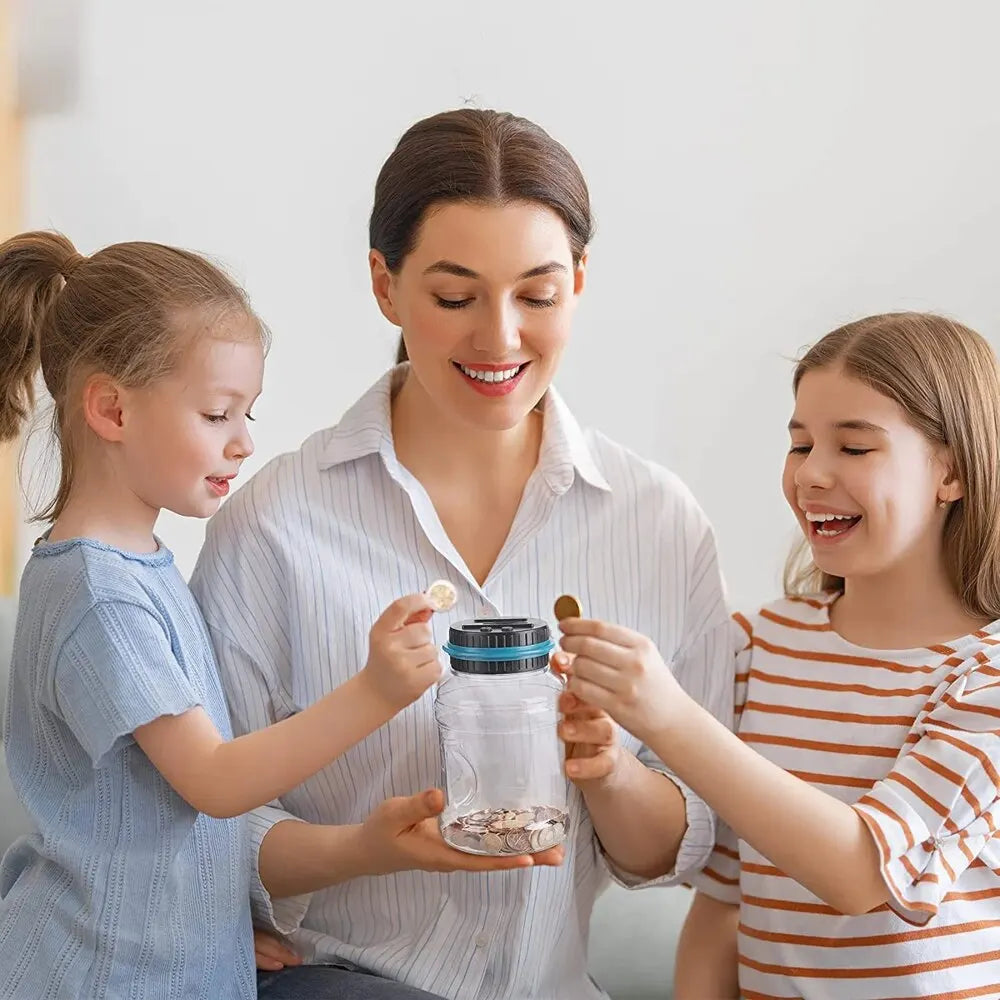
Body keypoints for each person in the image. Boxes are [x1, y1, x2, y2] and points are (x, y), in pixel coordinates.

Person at [190, 108, 735, 1000]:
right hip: (338, 982)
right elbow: (212, 825)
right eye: (455, 298)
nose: (501, 339)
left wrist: (607, 771)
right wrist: (362, 850)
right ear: (384, 285)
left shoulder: (658, 523)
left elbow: (674, 851)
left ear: (580, 284)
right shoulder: (276, 525)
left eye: (538, 295)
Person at [0, 232, 469, 1000]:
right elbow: (213, 782)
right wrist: (375, 693)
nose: (245, 443)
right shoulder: (101, 598)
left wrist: (211, 921)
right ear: (112, 408)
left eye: (248, 413)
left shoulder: (137, 566)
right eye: (218, 414)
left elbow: (146, 822)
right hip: (99, 977)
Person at [557, 313, 1000, 998]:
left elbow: (862, 873)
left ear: (953, 472)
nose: (812, 474)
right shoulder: (761, 648)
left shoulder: (986, 676)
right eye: (799, 445)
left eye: (854, 448)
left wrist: (669, 718)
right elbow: (726, 901)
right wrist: (613, 758)